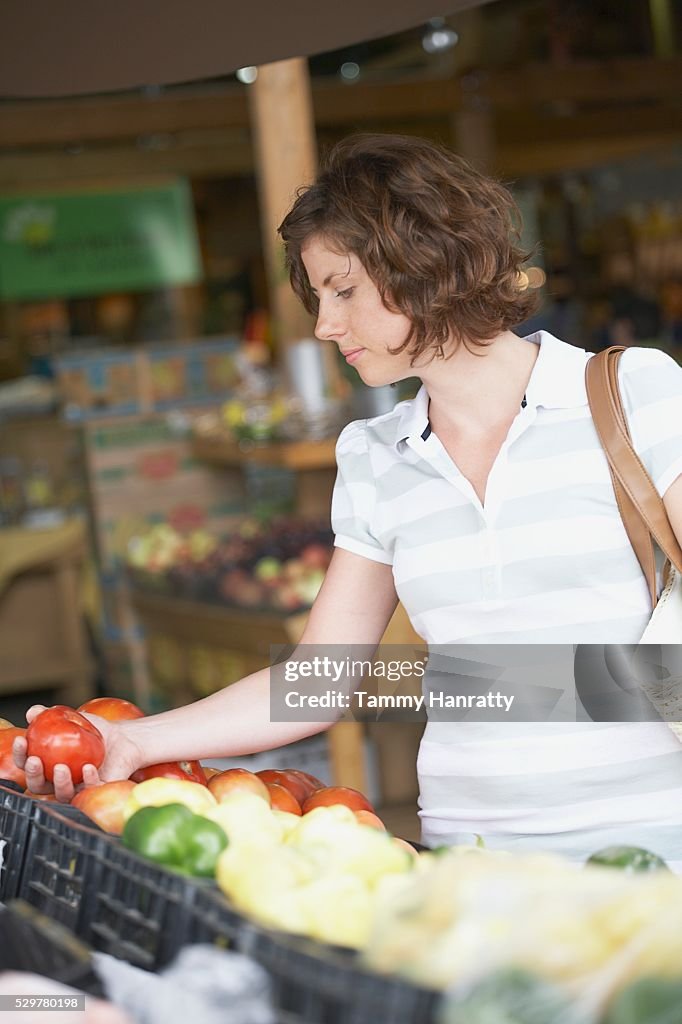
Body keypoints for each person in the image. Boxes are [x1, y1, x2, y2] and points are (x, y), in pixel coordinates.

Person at [14, 134, 682, 866]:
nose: (326, 325)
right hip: (474, 856)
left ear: (426, 263)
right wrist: (131, 740)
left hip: (655, 837)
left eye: (344, 290)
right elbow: (318, 680)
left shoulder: (632, 396)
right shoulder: (377, 457)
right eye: (318, 296)